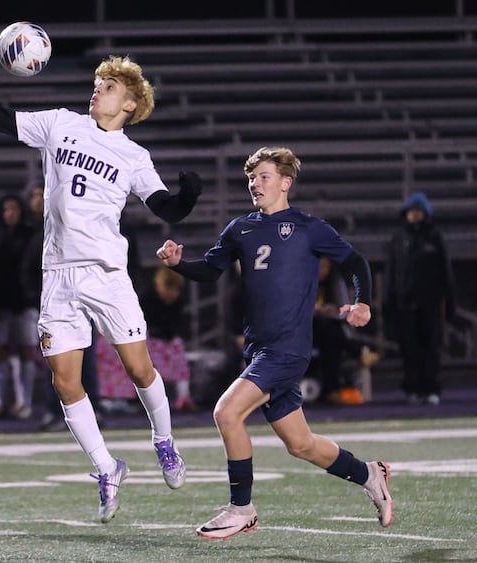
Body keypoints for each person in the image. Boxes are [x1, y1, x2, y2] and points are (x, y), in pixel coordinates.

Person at [0, 54, 202, 522]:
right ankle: (107, 467)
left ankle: (164, 441)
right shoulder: (60, 124)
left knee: (140, 369)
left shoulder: (134, 156)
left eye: (109, 86)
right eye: (98, 82)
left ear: (131, 103)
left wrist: (188, 196)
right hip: (58, 273)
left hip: (105, 273)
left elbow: (166, 209)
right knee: (65, 381)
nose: (97, 89)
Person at [156, 146, 393, 539]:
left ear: (286, 183)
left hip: (287, 350)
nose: (255, 184)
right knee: (301, 444)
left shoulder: (308, 227)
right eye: (252, 178)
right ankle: (369, 474)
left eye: (264, 177)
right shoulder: (240, 229)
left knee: (226, 413)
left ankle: (241, 509)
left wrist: (362, 301)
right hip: (259, 350)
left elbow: (355, 262)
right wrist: (178, 264)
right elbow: (211, 269)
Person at [383, 191, 456, 406]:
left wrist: (449, 301)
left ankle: (431, 388)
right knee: (409, 349)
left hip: (429, 303)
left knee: (431, 348)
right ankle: (412, 388)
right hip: (405, 304)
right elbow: (391, 271)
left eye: (418, 211)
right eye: (411, 211)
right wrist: (388, 301)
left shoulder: (434, 236)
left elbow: (445, 272)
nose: (414, 214)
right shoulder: (399, 237)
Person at [96, 267, 196, 411]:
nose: (172, 293)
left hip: (164, 343)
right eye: (169, 288)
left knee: (177, 348)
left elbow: (178, 326)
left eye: (176, 289)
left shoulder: (178, 302)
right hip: (143, 340)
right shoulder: (144, 298)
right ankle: (128, 398)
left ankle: (183, 397)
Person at [0, 194, 33, 419]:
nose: (10, 214)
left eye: (14, 209)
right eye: (6, 209)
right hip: (1, 303)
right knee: (0, 352)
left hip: (24, 303)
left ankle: (25, 402)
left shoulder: (30, 235)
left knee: (25, 351)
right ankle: (1, 401)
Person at [312, 256, 380, 405]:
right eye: (319, 267)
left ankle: (332, 391)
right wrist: (316, 310)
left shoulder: (334, 282)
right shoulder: (303, 282)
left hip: (328, 332)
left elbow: (343, 310)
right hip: (307, 329)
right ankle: (360, 351)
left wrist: (333, 312)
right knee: (328, 331)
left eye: (325, 267)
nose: (322, 271)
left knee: (331, 340)